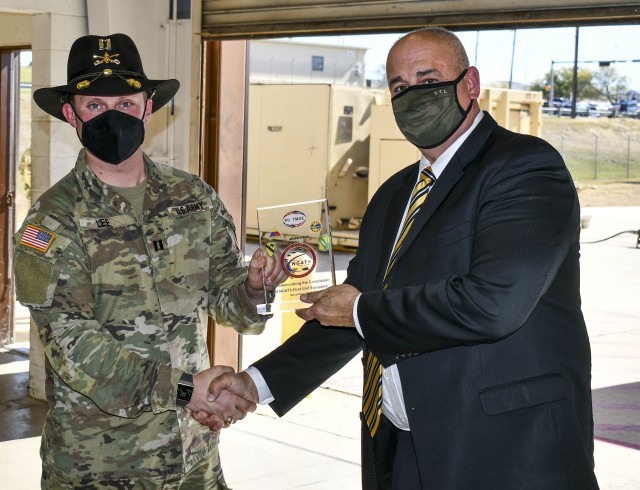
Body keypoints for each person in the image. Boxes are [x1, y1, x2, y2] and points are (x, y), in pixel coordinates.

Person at [202, 27, 599, 489]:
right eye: (399, 87)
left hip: (508, 450)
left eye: (428, 79)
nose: (414, 95)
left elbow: (493, 304)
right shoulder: (393, 195)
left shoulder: (523, 168)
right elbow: (350, 315)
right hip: (405, 445)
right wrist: (256, 382)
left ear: (470, 84)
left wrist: (356, 309)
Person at [14, 33, 284, 489]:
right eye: (95, 106)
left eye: (124, 102)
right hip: (101, 463)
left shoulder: (192, 196)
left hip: (194, 450)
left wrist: (254, 287)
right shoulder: (51, 219)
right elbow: (72, 347)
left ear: (148, 107)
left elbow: (224, 294)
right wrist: (185, 389)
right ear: (70, 115)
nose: (112, 116)